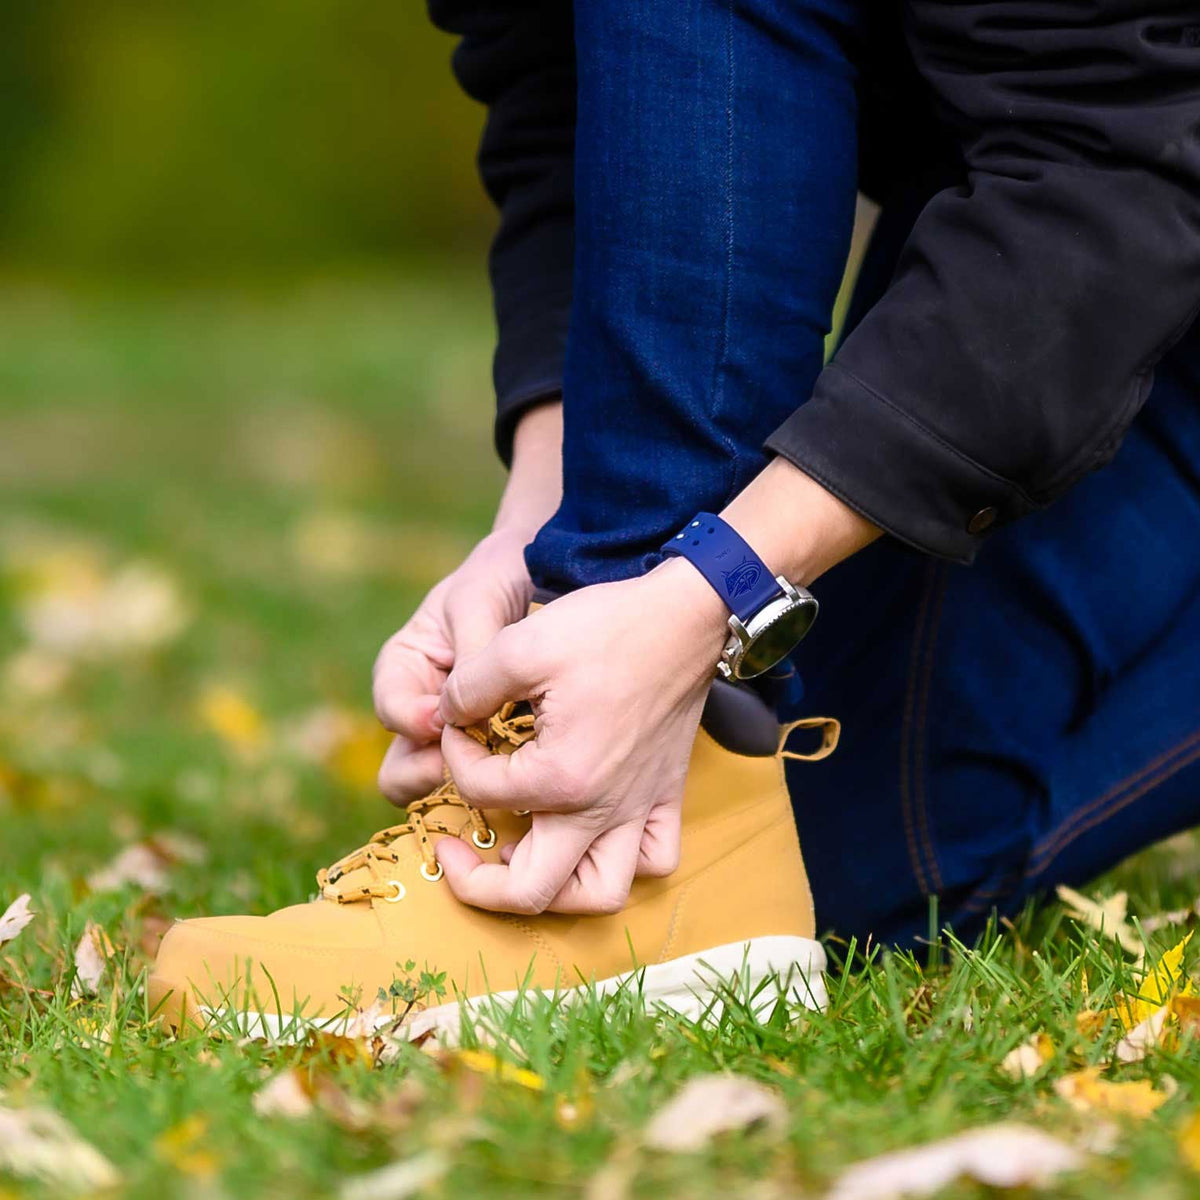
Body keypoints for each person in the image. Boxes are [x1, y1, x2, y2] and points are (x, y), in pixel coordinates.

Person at [149, 0, 1200, 1035]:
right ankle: (692, 787)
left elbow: (1110, 168)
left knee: (710, 840)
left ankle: (687, 771)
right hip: (1070, 201)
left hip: (1129, 222)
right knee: (846, 865)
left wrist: (704, 592)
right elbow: (573, 110)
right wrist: (540, 527)